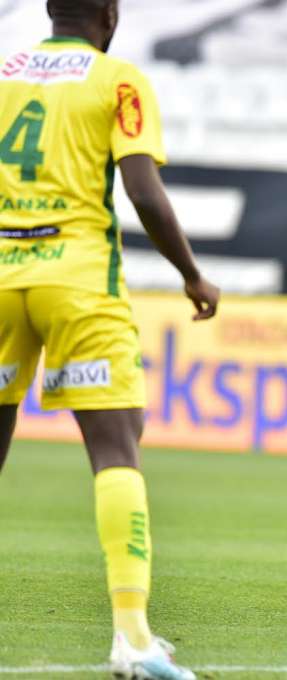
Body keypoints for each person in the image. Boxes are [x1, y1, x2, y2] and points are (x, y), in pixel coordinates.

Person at [0, 1, 219, 678]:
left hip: (1, 273)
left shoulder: (4, 76)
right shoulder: (117, 78)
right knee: (116, 446)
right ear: (110, 16)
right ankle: (131, 637)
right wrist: (191, 275)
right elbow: (145, 193)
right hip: (77, 277)